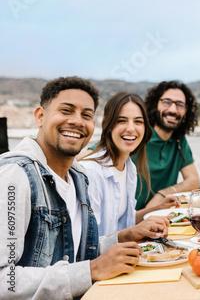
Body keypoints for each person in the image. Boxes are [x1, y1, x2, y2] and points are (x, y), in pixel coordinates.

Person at [0, 77, 170, 299]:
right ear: (40, 116)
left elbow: (74, 252)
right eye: (67, 110)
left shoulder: (78, 177)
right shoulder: (15, 176)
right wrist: (92, 270)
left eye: (86, 115)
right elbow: (5, 280)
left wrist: (123, 236)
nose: (77, 121)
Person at [80, 92, 179, 236]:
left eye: (138, 121)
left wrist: (158, 208)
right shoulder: (91, 173)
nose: (131, 128)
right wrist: (132, 233)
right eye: (122, 120)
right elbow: (87, 242)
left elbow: (123, 220)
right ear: (108, 126)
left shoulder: (128, 166)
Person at [136, 80, 200, 210]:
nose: (173, 110)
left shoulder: (179, 140)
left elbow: (194, 181)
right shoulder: (137, 134)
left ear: (186, 111)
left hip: (158, 220)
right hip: (127, 223)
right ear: (155, 104)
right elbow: (96, 153)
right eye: (167, 102)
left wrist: (164, 193)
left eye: (180, 105)